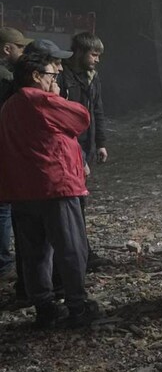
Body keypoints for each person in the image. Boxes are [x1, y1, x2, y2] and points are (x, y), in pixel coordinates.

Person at [0, 53, 100, 328]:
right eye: (52, 76)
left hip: (22, 191)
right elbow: (81, 118)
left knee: (35, 252)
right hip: (55, 187)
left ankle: (44, 307)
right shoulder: (41, 100)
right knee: (71, 248)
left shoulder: (9, 106)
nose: (55, 80)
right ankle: (77, 306)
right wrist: (57, 96)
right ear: (36, 76)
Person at [60, 32, 111, 271]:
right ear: (80, 52)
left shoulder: (92, 77)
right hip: (68, 147)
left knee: (80, 201)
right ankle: (77, 256)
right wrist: (79, 156)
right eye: (94, 54)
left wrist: (100, 143)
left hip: (85, 144)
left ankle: (82, 253)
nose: (97, 60)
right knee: (72, 203)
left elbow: (97, 109)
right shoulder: (60, 76)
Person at [0, 27, 32, 281]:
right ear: (7, 49)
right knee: (4, 208)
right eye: (20, 47)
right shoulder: (5, 78)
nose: (23, 52)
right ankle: (3, 263)